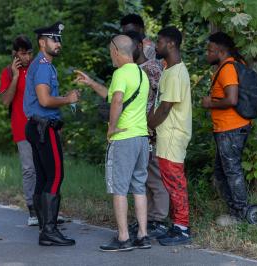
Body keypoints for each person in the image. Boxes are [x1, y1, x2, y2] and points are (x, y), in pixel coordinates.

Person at [75, 35, 150, 252]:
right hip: (141, 138)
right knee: (139, 186)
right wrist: (91, 83)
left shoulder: (120, 73)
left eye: (110, 51)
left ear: (117, 51)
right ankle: (143, 235)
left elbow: (117, 100)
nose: (110, 56)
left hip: (123, 139)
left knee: (119, 188)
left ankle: (124, 237)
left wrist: (111, 127)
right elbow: (111, 95)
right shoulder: (141, 74)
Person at [24, 22, 79, 246]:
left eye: (59, 39)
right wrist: (68, 99)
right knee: (55, 177)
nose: (58, 43)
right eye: (53, 39)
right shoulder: (44, 66)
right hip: (43, 128)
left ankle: (44, 227)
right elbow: (45, 100)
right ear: (41, 42)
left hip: (38, 126)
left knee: (43, 177)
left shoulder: (41, 64)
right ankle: (49, 230)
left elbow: (42, 100)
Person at [147, 26, 192, 246]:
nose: (157, 45)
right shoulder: (169, 69)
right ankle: (176, 226)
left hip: (174, 136)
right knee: (170, 183)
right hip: (166, 137)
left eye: (160, 41)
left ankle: (182, 229)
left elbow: (164, 109)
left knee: (176, 183)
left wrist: (147, 125)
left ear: (171, 44)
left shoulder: (176, 73)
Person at [123, 31, 169, 239]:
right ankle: (148, 218)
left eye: (129, 47)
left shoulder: (151, 68)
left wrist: (153, 125)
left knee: (156, 178)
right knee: (145, 178)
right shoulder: (134, 69)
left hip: (152, 130)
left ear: (140, 46)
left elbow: (160, 99)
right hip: (140, 130)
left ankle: (159, 219)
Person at [202, 32, 251, 226]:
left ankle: (240, 214)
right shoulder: (228, 66)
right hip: (228, 128)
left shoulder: (228, 68)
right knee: (222, 171)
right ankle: (235, 211)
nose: (207, 53)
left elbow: (232, 99)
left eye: (210, 50)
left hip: (232, 128)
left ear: (221, 51)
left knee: (231, 171)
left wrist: (210, 103)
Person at [0, 35, 38, 226]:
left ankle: (48, 209)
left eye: (30, 53)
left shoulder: (37, 68)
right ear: (15, 54)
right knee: (29, 169)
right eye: (23, 54)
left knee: (45, 168)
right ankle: (32, 210)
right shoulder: (7, 72)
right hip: (21, 127)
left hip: (41, 125)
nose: (27, 57)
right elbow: (6, 101)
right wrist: (15, 76)